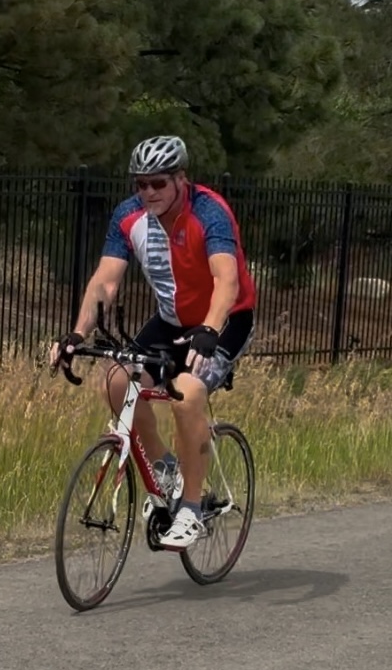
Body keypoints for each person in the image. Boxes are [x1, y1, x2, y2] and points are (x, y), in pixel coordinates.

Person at [50, 135, 256, 550]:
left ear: (181, 179)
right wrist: (76, 334)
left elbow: (226, 281)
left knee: (187, 393)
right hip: (171, 320)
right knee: (116, 380)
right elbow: (105, 281)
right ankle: (165, 467)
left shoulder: (209, 212)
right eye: (140, 184)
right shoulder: (128, 216)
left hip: (226, 317)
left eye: (158, 184)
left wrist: (211, 330)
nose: (148, 193)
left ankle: (192, 510)